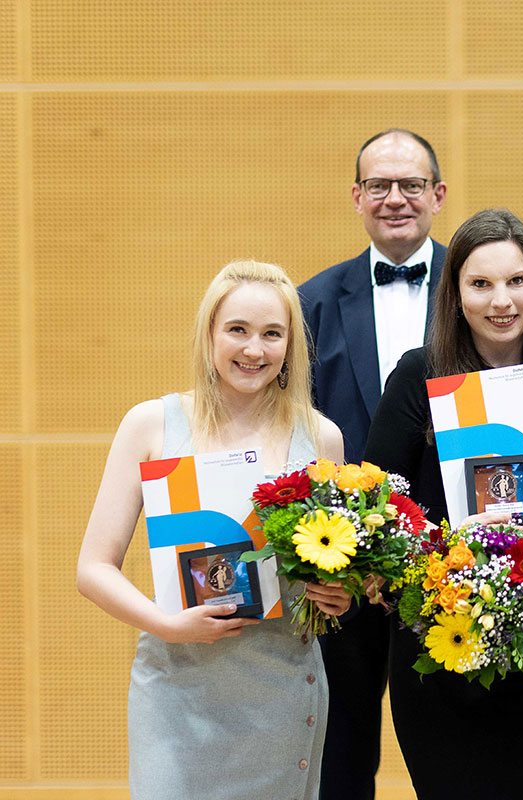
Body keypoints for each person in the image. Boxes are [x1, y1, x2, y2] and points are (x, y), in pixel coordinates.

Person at [76, 260, 350, 799]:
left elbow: (332, 565)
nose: (255, 349)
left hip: (283, 692)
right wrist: (167, 625)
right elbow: (92, 569)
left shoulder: (322, 438)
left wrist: (335, 596)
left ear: (291, 346)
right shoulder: (150, 425)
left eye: (273, 334)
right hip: (177, 692)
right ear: (209, 334)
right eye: (238, 330)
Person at [363, 208, 523, 799]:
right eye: (481, 283)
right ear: (455, 295)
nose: (502, 300)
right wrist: (446, 554)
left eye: (516, 281)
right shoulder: (418, 377)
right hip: (437, 656)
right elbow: (374, 507)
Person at [298, 128, 447, 799]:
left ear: (438, 195)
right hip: (342, 568)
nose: (396, 199)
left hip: (456, 564)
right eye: (379, 186)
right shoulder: (311, 303)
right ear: (356, 198)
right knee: (340, 754)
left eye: (411, 185)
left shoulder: (482, 295)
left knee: (453, 748)